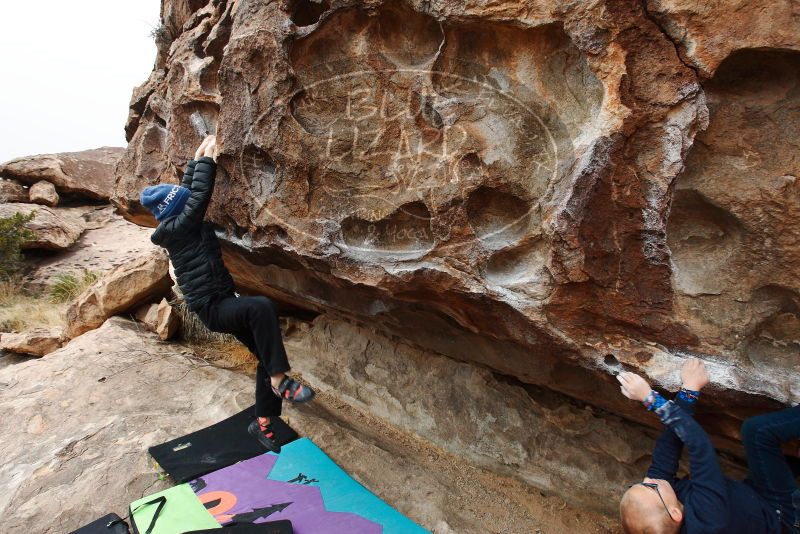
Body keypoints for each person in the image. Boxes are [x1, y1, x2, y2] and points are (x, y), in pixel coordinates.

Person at [139, 135, 314, 453]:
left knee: (264, 351)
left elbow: (188, 195)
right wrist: (209, 160)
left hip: (223, 300)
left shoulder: (177, 223)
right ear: (177, 211)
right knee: (261, 307)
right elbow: (198, 197)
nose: (189, 204)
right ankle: (279, 381)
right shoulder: (180, 229)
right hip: (213, 309)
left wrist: (197, 156)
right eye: (183, 203)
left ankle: (263, 423)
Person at [617, 359, 798, 534]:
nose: (650, 480)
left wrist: (688, 392)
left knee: (781, 462)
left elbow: (668, 447)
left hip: (751, 504)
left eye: (639, 484)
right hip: (781, 515)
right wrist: (651, 399)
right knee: (757, 432)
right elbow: (700, 446)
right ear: (675, 513)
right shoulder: (709, 518)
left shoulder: (665, 502)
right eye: (650, 487)